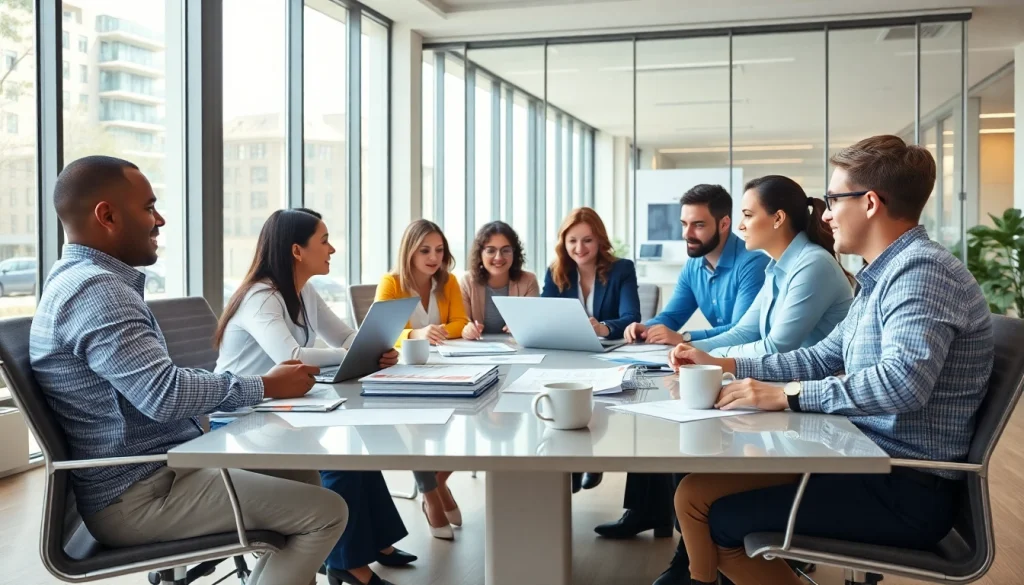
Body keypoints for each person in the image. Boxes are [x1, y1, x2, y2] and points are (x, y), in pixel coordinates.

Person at [664, 135, 994, 585]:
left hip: (901, 486)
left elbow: (903, 384)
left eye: (835, 199)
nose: (825, 213)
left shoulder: (922, 272)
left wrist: (785, 396)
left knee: (717, 517)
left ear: (871, 203)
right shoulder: (882, 275)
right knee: (692, 492)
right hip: (860, 456)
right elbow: (823, 356)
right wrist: (730, 368)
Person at [29, 156, 346, 585]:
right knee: (327, 514)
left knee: (304, 472)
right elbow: (164, 395)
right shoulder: (96, 290)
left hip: (164, 468)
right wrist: (265, 386)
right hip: (138, 494)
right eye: (148, 208)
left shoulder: (89, 281)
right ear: (106, 215)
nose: (159, 220)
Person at [213, 208, 412, 585]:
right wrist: (356, 356)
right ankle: (347, 565)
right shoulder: (261, 296)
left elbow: (344, 337)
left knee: (356, 445)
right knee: (338, 462)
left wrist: (374, 348)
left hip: (281, 408)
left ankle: (375, 544)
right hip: (239, 417)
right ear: (297, 251)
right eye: (324, 241)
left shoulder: (304, 290)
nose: (332, 248)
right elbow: (290, 358)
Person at [600, 185, 771, 543]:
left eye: (697, 225)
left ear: (724, 224)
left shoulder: (751, 262)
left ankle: (690, 544)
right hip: (713, 364)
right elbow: (673, 315)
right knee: (646, 402)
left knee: (681, 416)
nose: (686, 234)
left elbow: (745, 331)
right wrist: (646, 327)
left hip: (747, 366)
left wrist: (687, 340)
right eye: (684, 224)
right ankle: (646, 510)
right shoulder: (695, 265)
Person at [688, 175, 853, 358]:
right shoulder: (775, 269)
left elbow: (776, 348)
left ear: (778, 218)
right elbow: (743, 333)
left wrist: (713, 355)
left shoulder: (814, 264)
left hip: (817, 383)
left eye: (748, 215)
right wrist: (690, 348)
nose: (741, 226)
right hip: (787, 379)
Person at [376, 218, 468, 539]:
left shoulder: (449, 281)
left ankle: (438, 481)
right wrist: (417, 332)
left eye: (439, 250)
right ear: (410, 252)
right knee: (417, 420)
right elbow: (380, 333)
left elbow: (461, 322)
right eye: (425, 250)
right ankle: (430, 494)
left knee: (469, 421)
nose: (434, 257)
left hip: (444, 366)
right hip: (401, 370)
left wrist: (436, 333)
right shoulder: (391, 283)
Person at [542, 206, 641, 492]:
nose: (579, 247)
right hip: (567, 354)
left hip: (607, 354)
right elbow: (546, 312)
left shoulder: (621, 269)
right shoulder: (556, 271)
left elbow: (631, 317)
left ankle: (590, 459)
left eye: (587, 240)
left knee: (596, 405)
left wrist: (602, 327)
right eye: (572, 240)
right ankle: (569, 466)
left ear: (599, 240)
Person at [460, 220, 539, 339]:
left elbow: (534, 323)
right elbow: (462, 321)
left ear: (514, 253)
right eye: (491, 251)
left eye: (505, 250)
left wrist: (523, 328)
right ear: (480, 254)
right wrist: (466, 329)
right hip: (477, 349)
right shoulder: (467, 282)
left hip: (518, 350)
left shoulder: (529, 281)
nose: (499, 257)